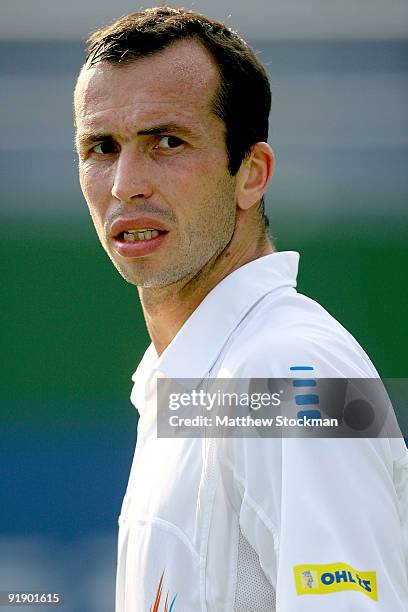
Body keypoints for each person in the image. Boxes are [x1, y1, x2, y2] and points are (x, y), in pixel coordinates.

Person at [73, 7, 408, 611]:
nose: (125, 183)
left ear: (251, 175)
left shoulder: (290, 369)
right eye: (101, 146)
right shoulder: (183, 381)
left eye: (167, 142)